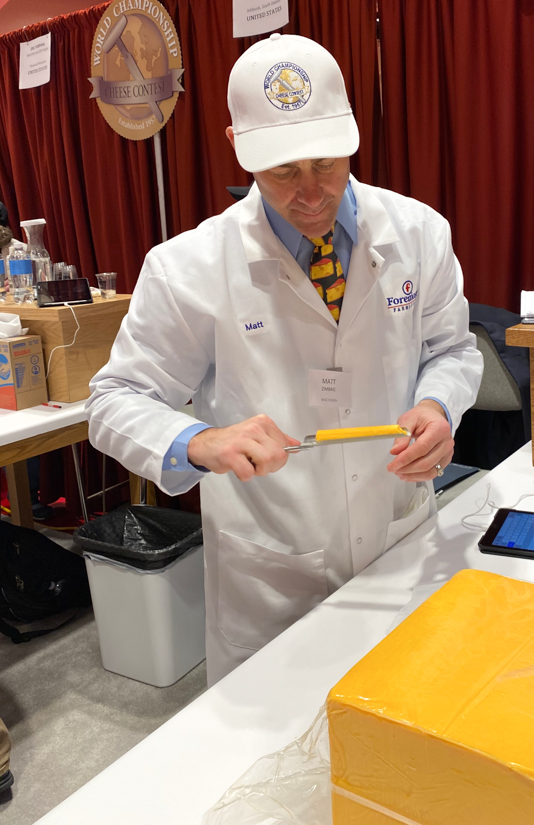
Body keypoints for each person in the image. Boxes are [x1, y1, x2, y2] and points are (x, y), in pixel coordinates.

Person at [87, 34, 483, 685]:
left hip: (399, 537)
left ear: (351, 135)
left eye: (326, 163)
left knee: (407, 709)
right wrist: (199, 441)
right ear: (236, 144)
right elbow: (113, 402)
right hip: (272, 573)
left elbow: (453, 349)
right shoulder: (187, 267)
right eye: (282, 172)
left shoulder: (419, 233)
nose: (311, 193)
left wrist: (438, 405)